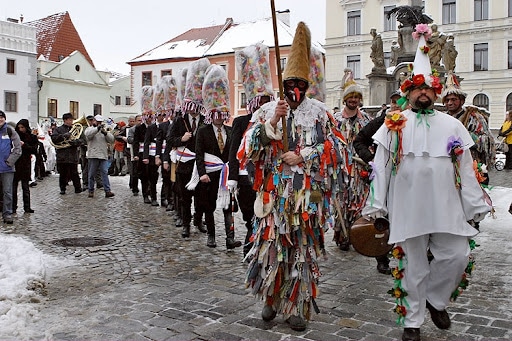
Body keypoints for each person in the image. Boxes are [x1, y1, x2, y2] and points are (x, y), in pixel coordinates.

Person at [362, 24, 491, 341]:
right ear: (407, 92)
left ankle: (436, 299)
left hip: (446, 207)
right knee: (413, 267)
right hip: (408, 208)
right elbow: (380, 167)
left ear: (435, 93)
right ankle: (412, 323)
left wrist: (475, 203)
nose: (423, 94)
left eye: (428, 90)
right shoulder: (394, 124)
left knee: (457, 255)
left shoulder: (451, 125)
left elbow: (464, 166)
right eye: (417, 89)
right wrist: (377, 206)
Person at [241, 22, 341, 332]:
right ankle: (271, 298)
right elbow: (248, 147)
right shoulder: (269, 110)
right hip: (274, 195)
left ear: (307, 85)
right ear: (283, 85)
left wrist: (305, 155)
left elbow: (336, 149)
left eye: (300, 83)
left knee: (300, 249)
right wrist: (272, 123)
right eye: (290, 83)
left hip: (305, 196)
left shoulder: (321, 113)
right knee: (271, 246)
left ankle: (296, 304)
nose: (295, 90)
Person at [228, 42, 274, 257]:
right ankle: (250, 235)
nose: (263, 105)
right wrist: (233, 176)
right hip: (246, 176)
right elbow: (234, 150)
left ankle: (254, 243)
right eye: (260, 101)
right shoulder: (241, 121)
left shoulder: (273, 122)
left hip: (266, 177)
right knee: (248, 213)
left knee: (263, 211)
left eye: (267, 101)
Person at [353, 90, 402, 275]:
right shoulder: (381, 121)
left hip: (405, 177)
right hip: (384, 177)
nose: (397, 105)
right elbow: (359, 141)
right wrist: (372, 160)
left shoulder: (414, 123)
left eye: (401, 101)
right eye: (394, 101)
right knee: (381, 216)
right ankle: (382, 256)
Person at [167, 57, 210, 238]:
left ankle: (198, 220)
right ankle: (186, 225)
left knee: (201, 198)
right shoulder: (179, 120)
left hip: (200, 165)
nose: (193, 111)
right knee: (185, 198)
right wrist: (181, 139)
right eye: (191, 107)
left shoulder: (205, 120)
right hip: (184, 165)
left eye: (196, 108)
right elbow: (170, 139)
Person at [332, 68, 372, 252]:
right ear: (345, 99)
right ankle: (342, 235)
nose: (354, 100)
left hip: (359, 168)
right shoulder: (335, 120)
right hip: (341, 168)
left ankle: (357, 235)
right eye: (351, 97)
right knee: (342, 201)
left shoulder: (366, 120)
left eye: (357, 97)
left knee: (359, 202)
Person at [51, 113, 83, 195]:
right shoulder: (58, 129)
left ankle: (78, 188)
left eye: (72, 120)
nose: (71, 121)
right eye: (70, 120)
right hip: (62, 155)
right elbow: (54, 139)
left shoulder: (75, 128)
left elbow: (81, 140)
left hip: (72, 155)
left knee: (74, 173)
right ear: (65, 120)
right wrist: (64, 136)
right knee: (63, 174)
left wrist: (75, 142)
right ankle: (62, 188)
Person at [85, 115, 115, 198]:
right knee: (91, 174)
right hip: (93, 155)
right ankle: (91, 190)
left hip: (103, 155)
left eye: (100, 122)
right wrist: (97, 129)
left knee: (105, 173)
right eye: (97, 122)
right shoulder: (90, 129)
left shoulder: (104, 130)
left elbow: (112, 140)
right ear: (94, 121)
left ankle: (107, 190)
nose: (99, 123)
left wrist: (105, 133)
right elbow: (88, 135)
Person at [0, 111, 22, 224]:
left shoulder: (10, 131)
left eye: (2, 117)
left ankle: (7, 213)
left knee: (7, 192)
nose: (0, 119)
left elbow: (17, 149)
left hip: (7, 168)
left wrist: (9, 162)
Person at [13, 119, 38, 214]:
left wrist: (24, 145)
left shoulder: (32, 137)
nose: (20, 129)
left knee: (25, 187)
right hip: (16, 163)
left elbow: (34, 150)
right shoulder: (15, 136)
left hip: (25, 163)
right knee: (14, 187)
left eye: (22, 127)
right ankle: (13, 207)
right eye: (19, 127)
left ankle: (27, 207)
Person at [127, 115, 142, 195]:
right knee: (135, 172)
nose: (140, 122)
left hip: (143, 152)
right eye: (139, 120)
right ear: (136, 121)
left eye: (141, 120)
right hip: (135, 151)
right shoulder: (132, 129)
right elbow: (129, 139)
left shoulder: (145, 128)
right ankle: (135, 188)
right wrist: (136, 139)